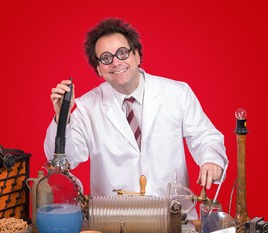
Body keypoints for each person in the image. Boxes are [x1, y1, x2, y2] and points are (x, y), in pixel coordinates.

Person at [44, 17, 228, 219]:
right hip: (114, 223)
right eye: (106, 58)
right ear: (98, 68)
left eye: (122, 53)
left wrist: (210, 160)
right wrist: (62, 118)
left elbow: (206, 137)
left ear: (137, 55)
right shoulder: (87, 107)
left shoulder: (177, 93)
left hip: (175, 218)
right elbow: (65, 159)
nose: (116, 62)